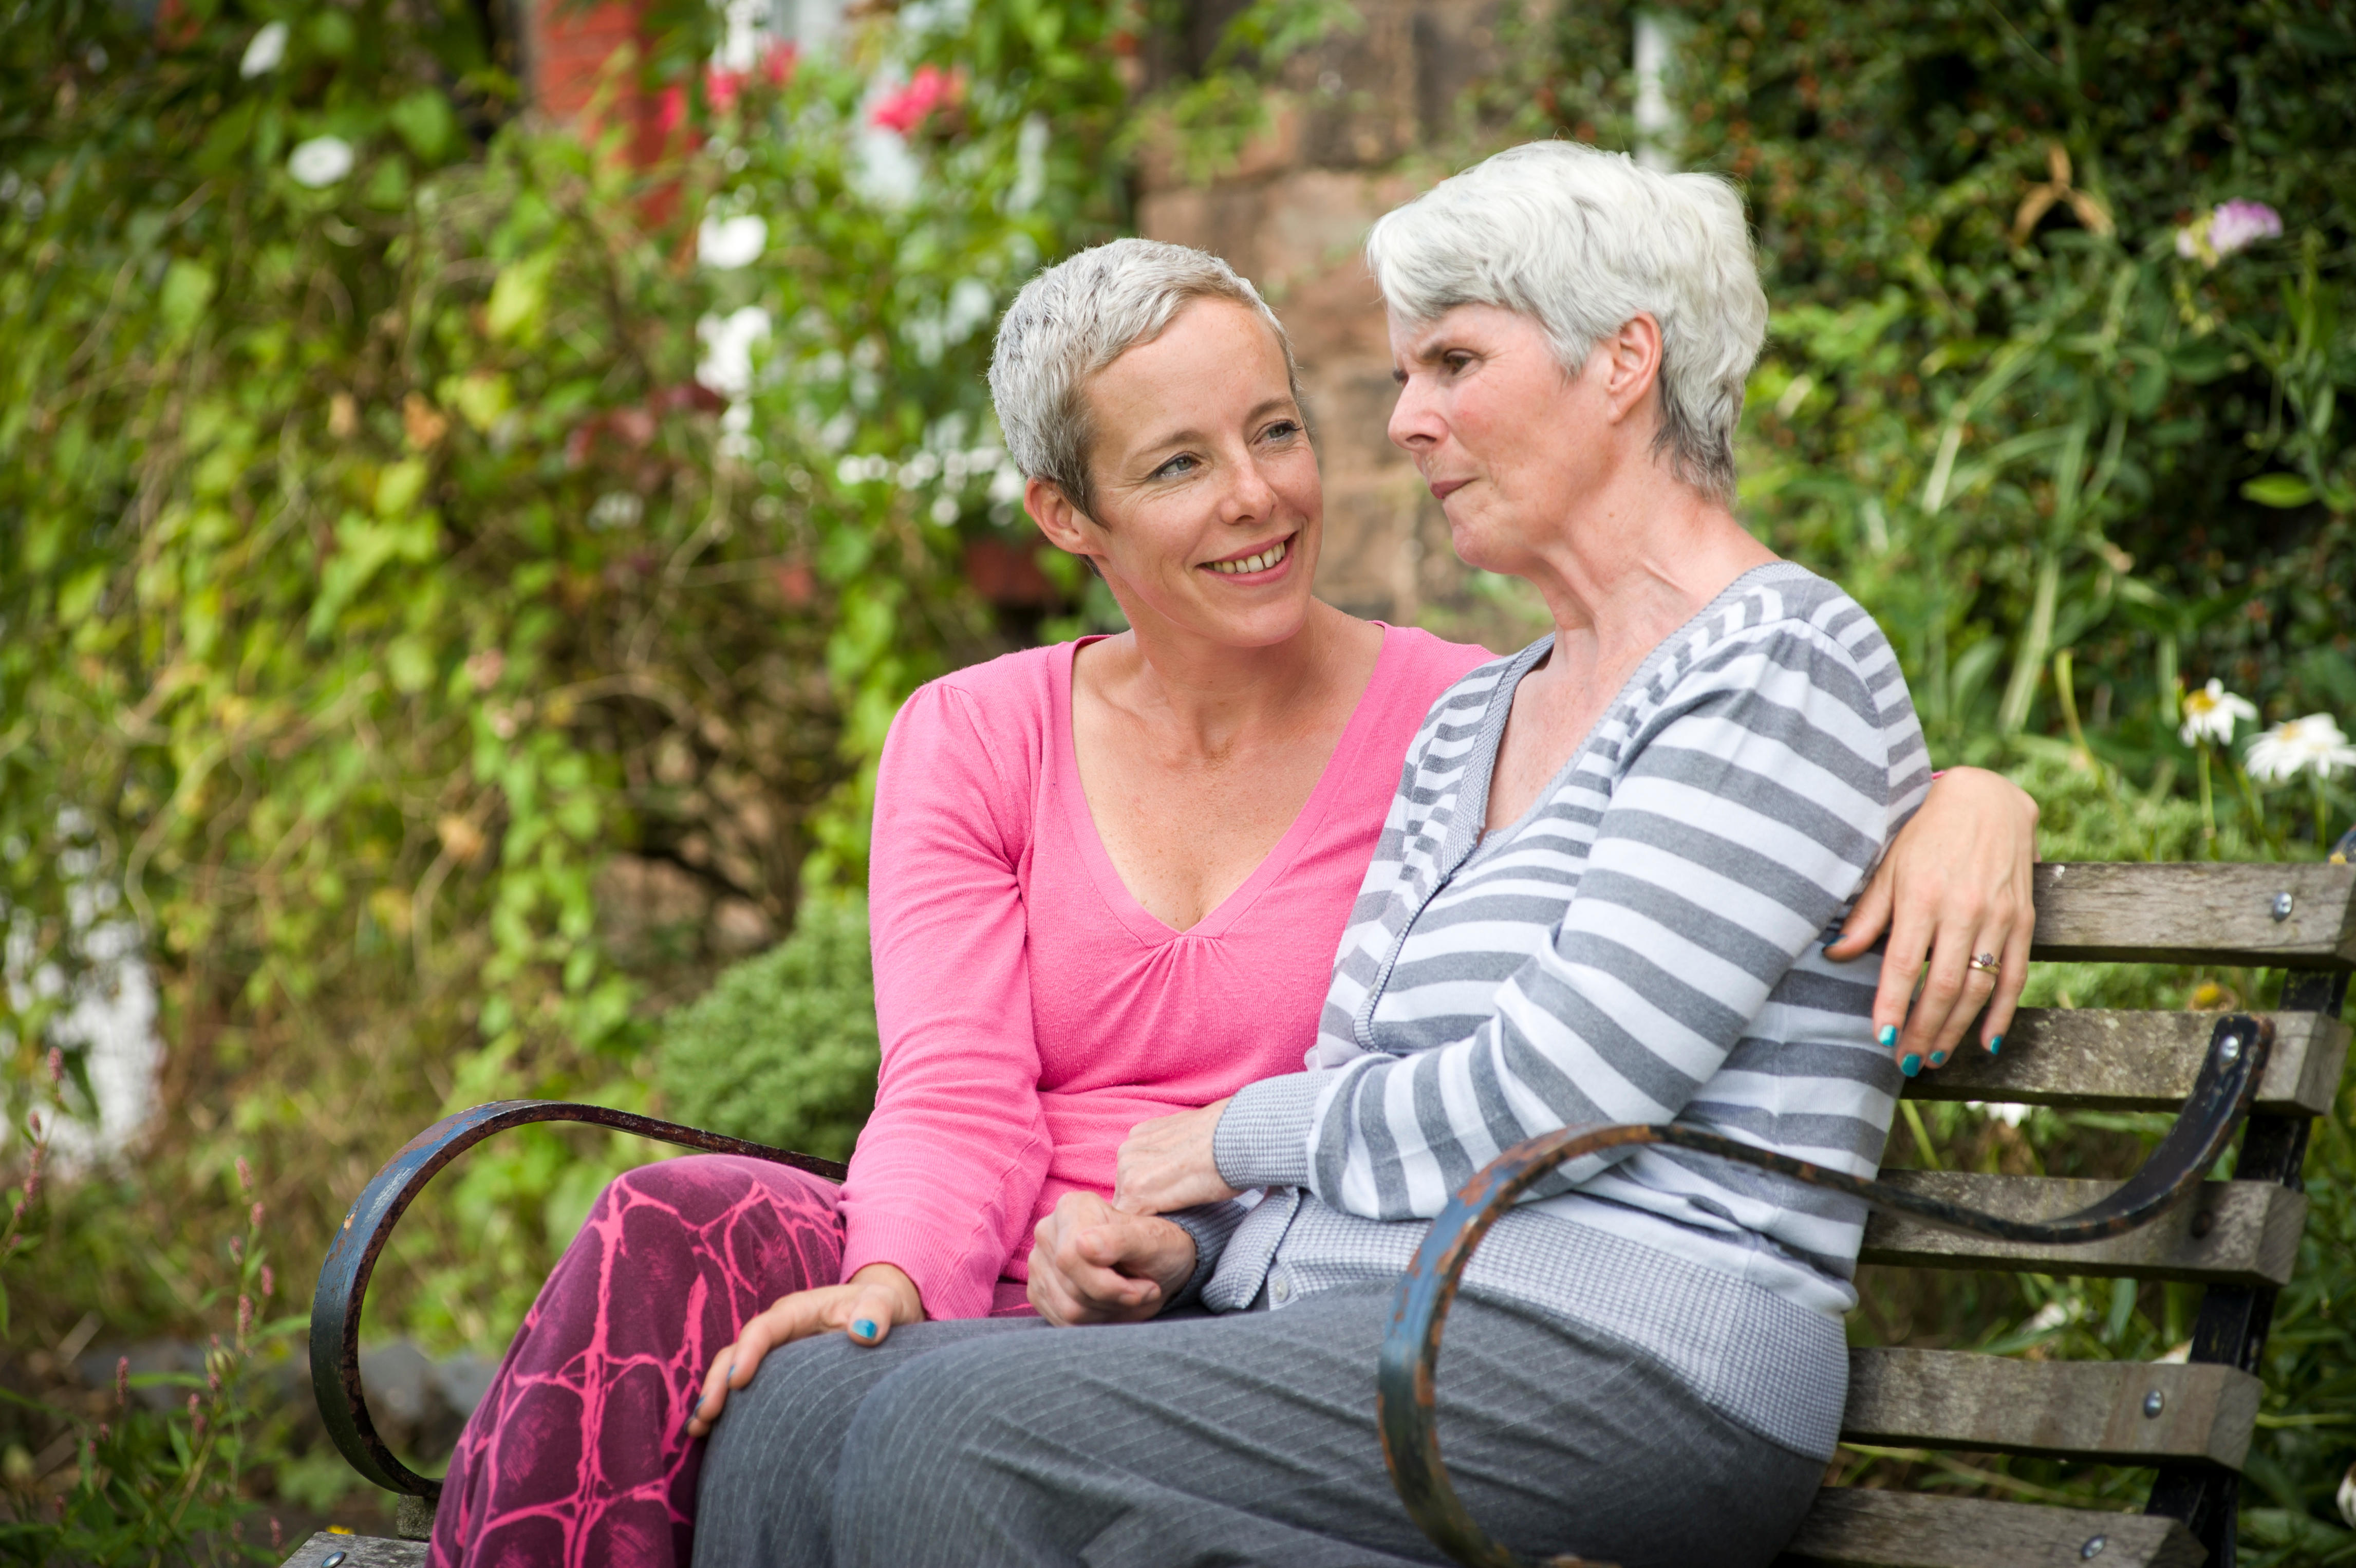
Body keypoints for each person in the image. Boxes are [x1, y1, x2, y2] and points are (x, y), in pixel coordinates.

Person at [433, 219, 2039, 1566]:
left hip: (1293, 1309)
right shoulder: (981, 733)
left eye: (1275, 432)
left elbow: (1729, 773)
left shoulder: (1450, 708)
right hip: (1129, 1276)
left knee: (934, 1440)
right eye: (1182, 463)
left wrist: (1974, 793)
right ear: (1072, 517)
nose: (1259, 495)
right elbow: (953, 1088)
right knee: (757, 1363)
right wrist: (893, 1279)